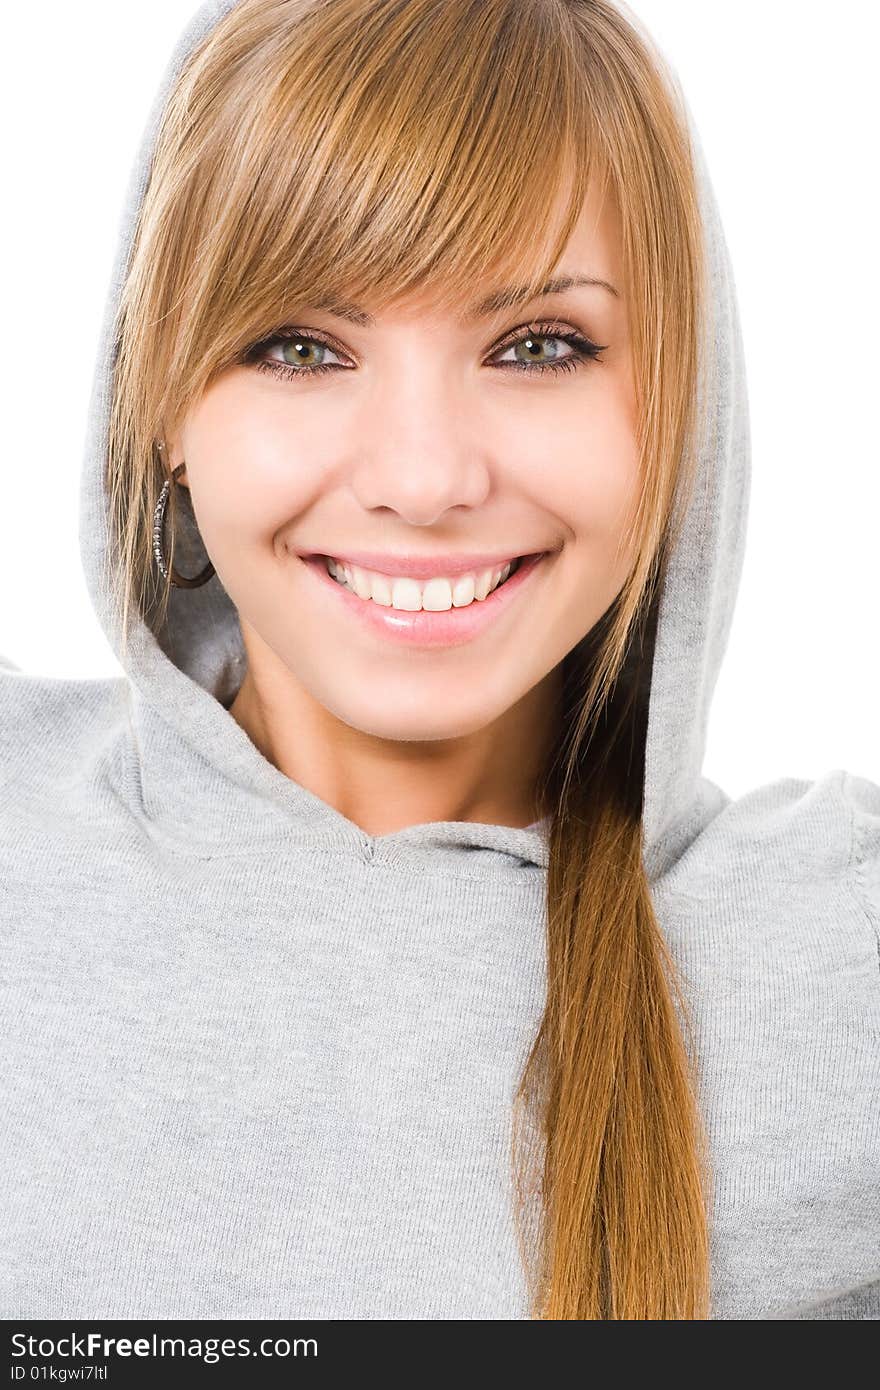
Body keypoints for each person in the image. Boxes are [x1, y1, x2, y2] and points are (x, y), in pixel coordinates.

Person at [1, 0, 877, 1322]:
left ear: (676, 409)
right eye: (300, 345)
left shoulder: (833, 961)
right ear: (165, 406)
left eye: (539, 346)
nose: (423, 479)